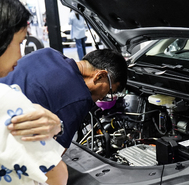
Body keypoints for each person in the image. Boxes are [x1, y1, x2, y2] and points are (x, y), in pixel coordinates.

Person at [0, 0, 72, 185]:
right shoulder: (6, 101)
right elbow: (59, 177)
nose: (21, 56)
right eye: (18, 42)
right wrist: (56, 128)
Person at [0, 47, 128, 149]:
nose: (103, 97)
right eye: (110, 91)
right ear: (99, 76)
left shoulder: (47, 52)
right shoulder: (80, 98)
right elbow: (54, 157)